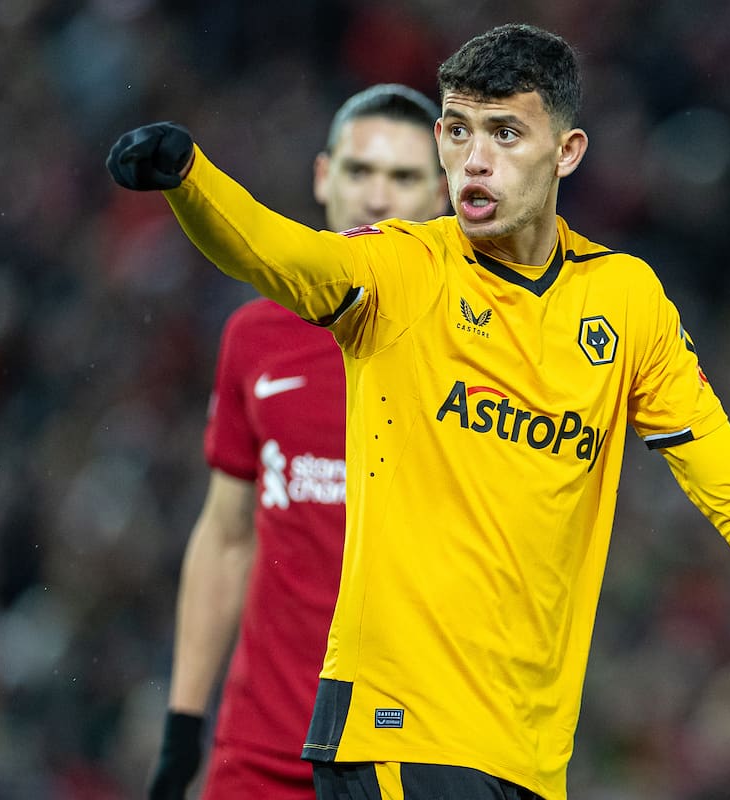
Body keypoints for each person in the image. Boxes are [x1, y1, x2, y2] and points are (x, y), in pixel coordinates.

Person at [109, 23, 730, 800]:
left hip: (529, 758)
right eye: (458, 132)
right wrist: (192, 181)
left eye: (505, 134)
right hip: (397, 733)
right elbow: (280, 253)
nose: (474, 162)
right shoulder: (405, 271)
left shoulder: (625, 302)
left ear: (567, 152)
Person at [144, 84, 448, 800]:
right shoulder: (255, 336)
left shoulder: (471, 346)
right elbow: (227, 536)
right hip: (262, 747)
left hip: (413, 755)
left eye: (403, 178)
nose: (378, 197)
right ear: (323, 177)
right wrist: (183, 722)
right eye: (359, 171)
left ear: (441, 194)